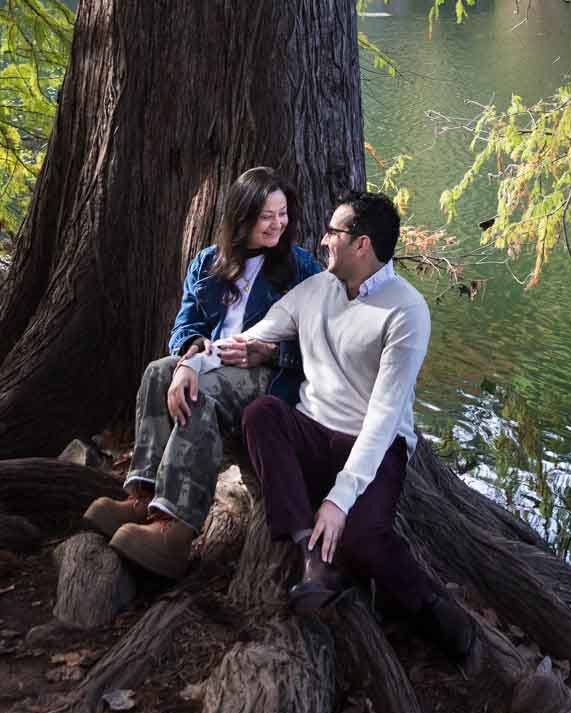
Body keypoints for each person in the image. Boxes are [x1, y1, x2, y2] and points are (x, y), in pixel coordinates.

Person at [202, 188, 474, 659]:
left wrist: (339, 500)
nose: (322, 239)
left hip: (372, 447)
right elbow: (252, 338)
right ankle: (309, 547)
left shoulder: (406, 311)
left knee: (365, 542)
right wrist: (192, 365)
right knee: (262, 414)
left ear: (361, 244)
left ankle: (435, 612)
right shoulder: (315, 290)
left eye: (333, 232)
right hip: (311, 432)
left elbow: (383, 420)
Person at [82, 167, 321, 576]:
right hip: (209, 361)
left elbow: (322, 345)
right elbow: (186, 324)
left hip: (266, 374)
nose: (277, 224)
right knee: (159, 372)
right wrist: (189, 356)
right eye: (267, 215)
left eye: (282, 214)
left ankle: (175, 529)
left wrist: (269, 352)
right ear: (241, 216)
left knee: (203, 393)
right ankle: (144, 494)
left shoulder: (302, 270)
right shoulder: (210, 262)